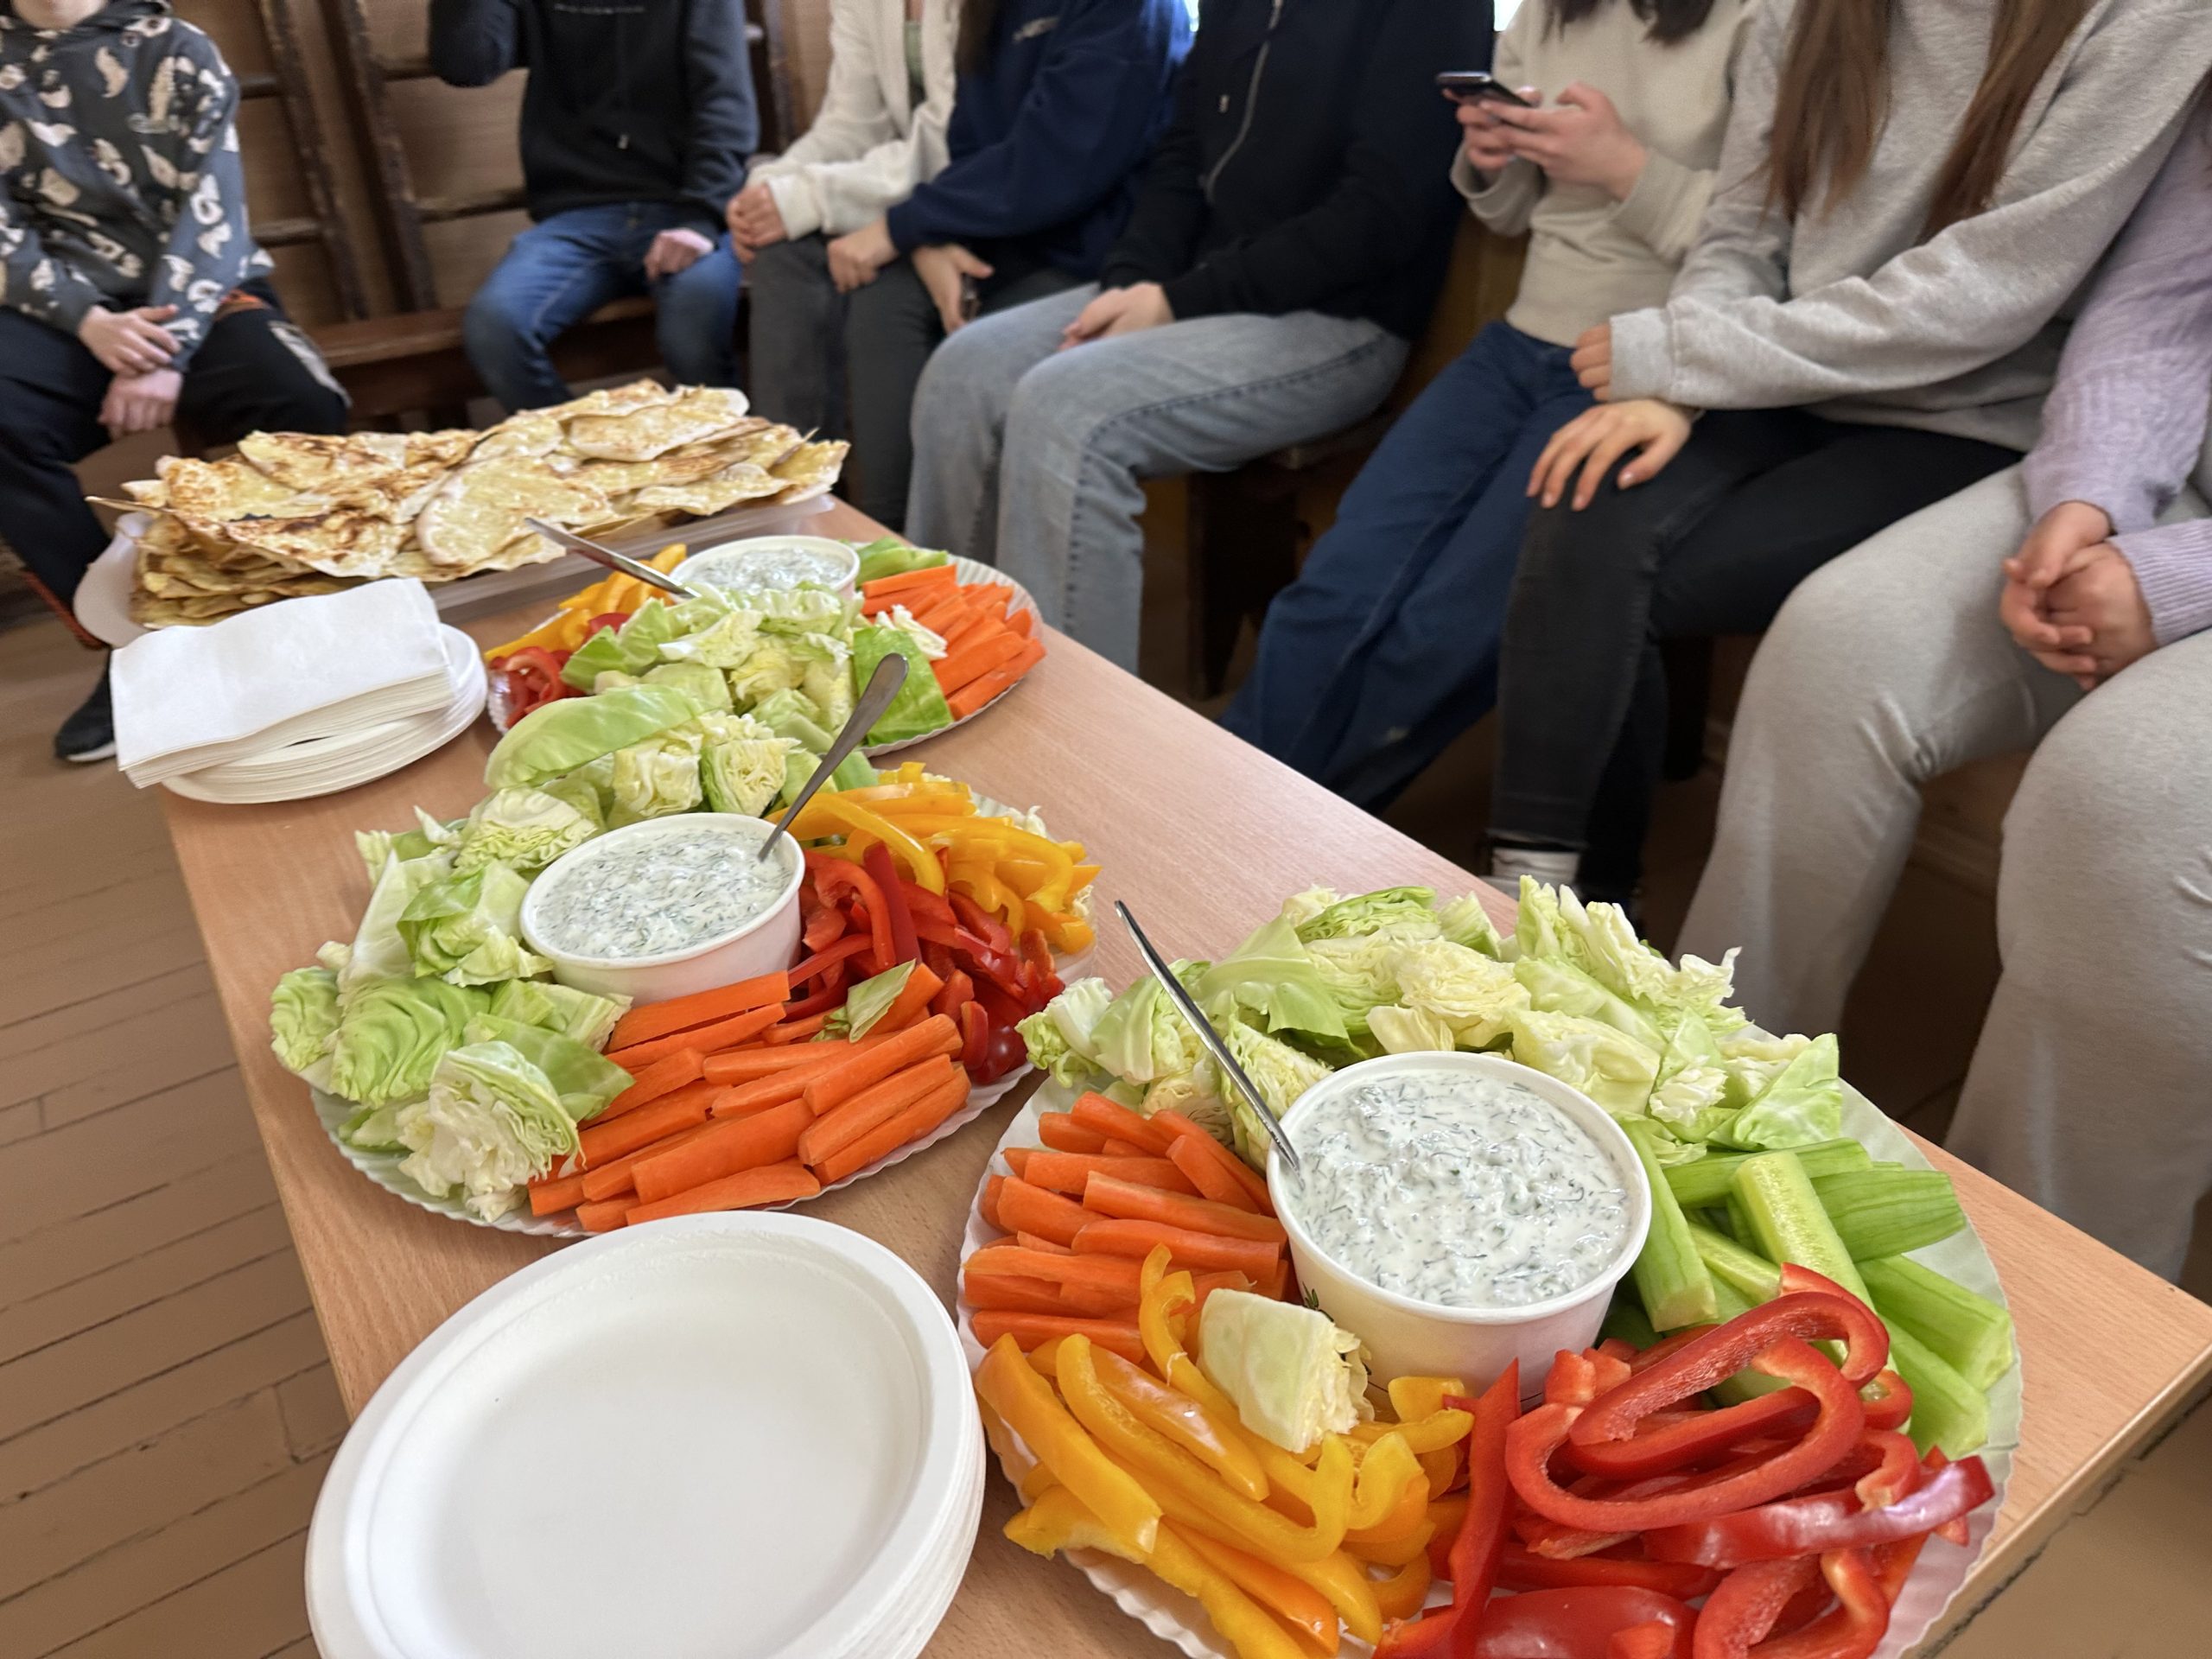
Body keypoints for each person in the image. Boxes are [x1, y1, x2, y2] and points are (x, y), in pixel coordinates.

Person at [1479, 0, 2212, 904]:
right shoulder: (1802, 12)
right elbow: (1742, 232)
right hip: (1784, 379)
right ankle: (1532, 892)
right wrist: (1681, 380)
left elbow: (1985, 294)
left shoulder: (2150, 18)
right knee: (1585, 494)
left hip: (1969, 415)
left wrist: (1691, 357)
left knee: (1607, 591)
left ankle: (1571, 915)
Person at [1678, 100, 2212, 1281]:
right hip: (2171, 484)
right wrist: (2088, 499)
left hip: (2193, 554)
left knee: (2121, 802)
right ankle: (1708, 1113)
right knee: (1837, 643)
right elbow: (2160, 312)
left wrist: (2173, 581)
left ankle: (2043, 1300)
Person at [1223, 0, 1755, 809]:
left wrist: (1624, 167)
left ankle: (1283, 829)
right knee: (1332, 587)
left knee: (1447, 632)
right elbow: (1510, 214)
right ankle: (1218, 802)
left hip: (1650, 364)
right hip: (1517, 343)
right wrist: (1493, 157)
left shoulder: (1767, 22)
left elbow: (1773, 247)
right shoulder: (1549, 14)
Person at [905, 0, 1478, 672]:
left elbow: (1382, 216)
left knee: (1067, 410)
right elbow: (1180, 154)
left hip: (1340, 318)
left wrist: (1179, 300)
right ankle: (936, 665)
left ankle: (1068, 724)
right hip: (1193, 286)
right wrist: (1131, 279)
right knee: (965, 369)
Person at [0, 0, 349, 764]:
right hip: (62, 313)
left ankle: (307, 620)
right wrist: (91, 322)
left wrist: (165, 354)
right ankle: (134, 645)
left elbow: (212, 215)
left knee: (301, 398)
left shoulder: (179, 48)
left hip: (203, 296)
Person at [734, 0, 1187, 531]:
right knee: (878, 298)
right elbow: (963, 140)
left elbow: (1057, 163)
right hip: (991, 230)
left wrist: (908, 226)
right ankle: (838, 522)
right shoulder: (990, 11)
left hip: (1086, 252)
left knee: (959, 354)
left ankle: (905, 546)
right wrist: (930, 235)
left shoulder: (1130, 11)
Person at [431, 0, 758, 411]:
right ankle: (582, 451)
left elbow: (725, 100)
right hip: (576, 217)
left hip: (687, 209)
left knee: (693, 337)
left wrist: (702, 218)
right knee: (495, 328)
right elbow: (467, 65)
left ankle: (735, 451)